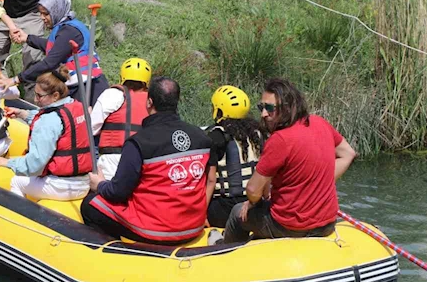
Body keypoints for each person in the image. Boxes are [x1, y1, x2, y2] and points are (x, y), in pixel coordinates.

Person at [81, 77, 218, 245]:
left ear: (149, 102)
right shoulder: (202, 136)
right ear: (177, 102)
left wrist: (100, 184)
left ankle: (113, 255)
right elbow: (210, 179)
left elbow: (117, 193)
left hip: (155, 231)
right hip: (194, 226)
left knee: (89, 205)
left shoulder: (138, 142)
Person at [220, 78, 356, 244]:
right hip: (327, 224)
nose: (263, 114)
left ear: (287, 108)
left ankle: (226, 253)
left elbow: (253, 189)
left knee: (237, 212)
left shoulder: (280, 140)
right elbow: (348, 153)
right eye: (261, 107)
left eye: (269, 108)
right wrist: (319, 181)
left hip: (290, 226)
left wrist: (252, 203)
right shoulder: (320, 123)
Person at [0, 66, 93, 201]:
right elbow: (57, 123)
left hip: (61, 186)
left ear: (55, 96)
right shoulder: (77, 106)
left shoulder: (49, 121)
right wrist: (22, 113)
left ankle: (19, 217)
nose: (35, 100)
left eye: (39, 96)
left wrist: (8, 162)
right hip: (83, 183)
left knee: (16, 182)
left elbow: (35, 165)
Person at [4, 0, 108, 103]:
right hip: (77, 84)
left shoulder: (69, 31)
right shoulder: (65, 26)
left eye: (46, 14)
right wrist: (27, 38)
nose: (42, 17)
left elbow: (49, 63)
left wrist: (17, 79)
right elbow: (54, 47)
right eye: (40, 13)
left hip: (88, 87)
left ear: (56, 11)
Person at [205, 85, 266, 229]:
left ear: (219, 110)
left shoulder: (216, 136)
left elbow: (210, 179)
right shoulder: (257, 134)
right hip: (255, 205)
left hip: (225, 208)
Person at [90, 58, 151, 180]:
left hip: (112, 162)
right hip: (143, 161)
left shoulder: (113, 94)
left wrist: (89, 115)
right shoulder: (151, 101)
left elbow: (91, 129)